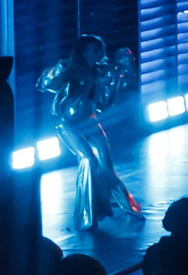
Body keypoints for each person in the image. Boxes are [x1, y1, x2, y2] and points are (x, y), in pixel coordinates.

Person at [39, 33, 139, 227]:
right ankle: (87, 215)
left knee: (106, 163)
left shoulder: (102, 70)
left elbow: (121, 82)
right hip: (68, 123)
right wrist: (59, 69)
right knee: (87, 158)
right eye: (94, 50)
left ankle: (117, 203)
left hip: (90, 120)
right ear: (83, 52)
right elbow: (47, 83)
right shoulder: (72, 70)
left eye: (100, 49)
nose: (99, 53)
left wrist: (125, 62)